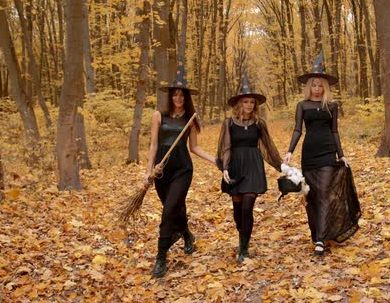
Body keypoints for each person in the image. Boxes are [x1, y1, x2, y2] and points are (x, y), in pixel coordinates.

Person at [284, 51, 360, 255]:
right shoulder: (302, 106)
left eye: (320, 85)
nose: (317, 89)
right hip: (309, 154)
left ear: (324, 87)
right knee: (312, 197)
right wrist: (290, 151)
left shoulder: (332, 106)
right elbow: (298, 129)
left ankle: (320, 240)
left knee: (325, 193)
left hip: (327, 154)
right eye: (314, 85)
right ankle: (316, 231)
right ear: (309, 87)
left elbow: (335, 131)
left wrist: (341, 155)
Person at [146, 58, 216, 278]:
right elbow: (153, 145)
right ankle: (186, 234)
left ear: (186, 97)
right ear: (170, 96)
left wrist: (215, 160)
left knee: (168, 211)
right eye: (175, 94)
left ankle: (160, 257)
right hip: (162, 170)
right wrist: (149, 171)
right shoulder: (159, 115)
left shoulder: (190, 119)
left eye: (181, 94)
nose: (178, 97)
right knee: (175, 209)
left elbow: (194, 147)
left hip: (182, 170)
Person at [216, 72, 283, 263]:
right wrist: (225, 168)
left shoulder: (259, 124)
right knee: (237, 209)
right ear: (239, 104)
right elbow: (226, 147)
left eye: (252, 102)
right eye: (246, 102)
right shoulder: (229, 123)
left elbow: (269, 147)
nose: (249, 105)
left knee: (248, 207)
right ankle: (242, 234)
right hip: (236, 166)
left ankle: (243, 248)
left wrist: (282, 167)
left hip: (253, 166)